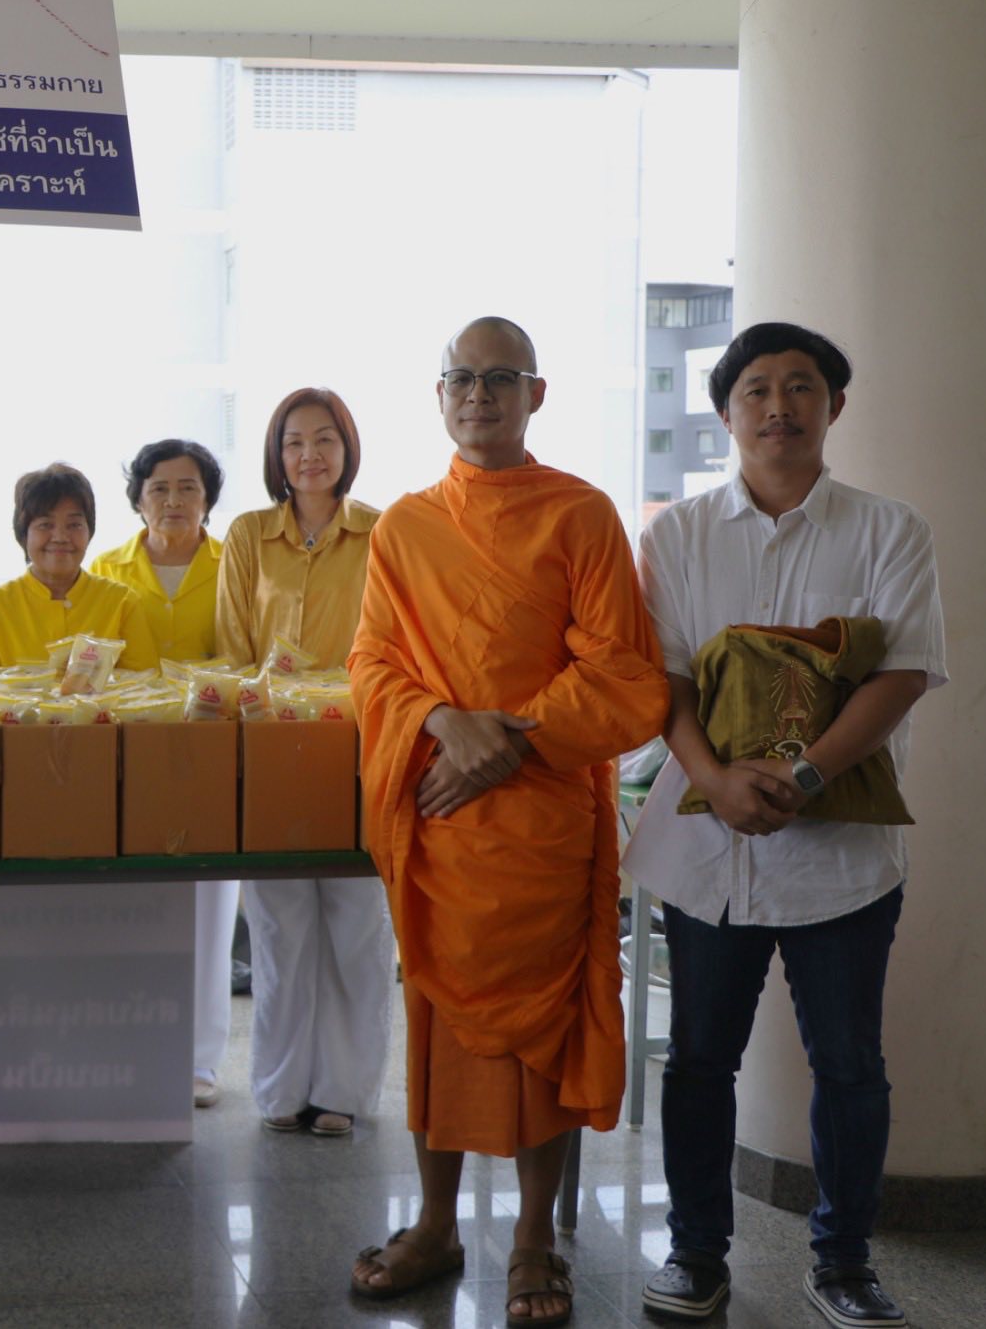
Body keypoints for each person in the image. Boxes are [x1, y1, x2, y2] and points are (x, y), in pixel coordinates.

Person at [348, 319, 669, 1327]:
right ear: (437, 394)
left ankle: (533, 1236)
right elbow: (371, 665)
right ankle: (436, 1224)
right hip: (442, 812)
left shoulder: (578, 515)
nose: (477, 395)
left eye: (499, 379)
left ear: (536, 394)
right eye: (460, 379)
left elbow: (625, 674)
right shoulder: (402, 528)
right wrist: (443, 723)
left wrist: (512, 739)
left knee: (543, 1032)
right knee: (438, 1021)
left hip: (537, 817)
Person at [625, 324, 945, 1329]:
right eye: (755, 390)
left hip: (843, 859)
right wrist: (715, 781)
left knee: (848, 1064)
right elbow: (664, 682)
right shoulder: (675, 535)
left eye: (799, 388)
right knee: (698, 1061)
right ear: (725, 414)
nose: (778, 407)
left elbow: (901, 674)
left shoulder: (886, 530)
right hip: (708, 848)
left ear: (832, 408)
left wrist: (803, 775)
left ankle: (841, 1262)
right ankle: (693, 1254)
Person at [215, 392, 393, 1134]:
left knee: (357, 926)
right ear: (276, 454)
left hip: (362, 745)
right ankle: (283, 1091)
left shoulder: (383, 531)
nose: (310, 455)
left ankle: (345, 1094)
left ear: (348, 448)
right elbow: (232, 648)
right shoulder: (250, 534)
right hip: (274, 750)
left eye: (325, 439)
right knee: (283, 929)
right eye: (294, 442)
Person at [89, 439, 231, 1107]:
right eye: (159, 488)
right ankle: (139, 1046)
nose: (173, 501)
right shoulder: (106, 567)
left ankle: (202, 1061)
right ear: (137, 497)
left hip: (213, 755)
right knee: (140, 903)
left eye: (188, 488)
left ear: (208, 497)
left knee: (210, 902)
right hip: (132, 756)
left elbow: (247, 651)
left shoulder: (235, 564)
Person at [0, 462, 156, 670]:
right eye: (45, 525)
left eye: (74, 525)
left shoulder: (122, 602)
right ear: (23, 533)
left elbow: (145, 684)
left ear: (89, 531)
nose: (61, 537)